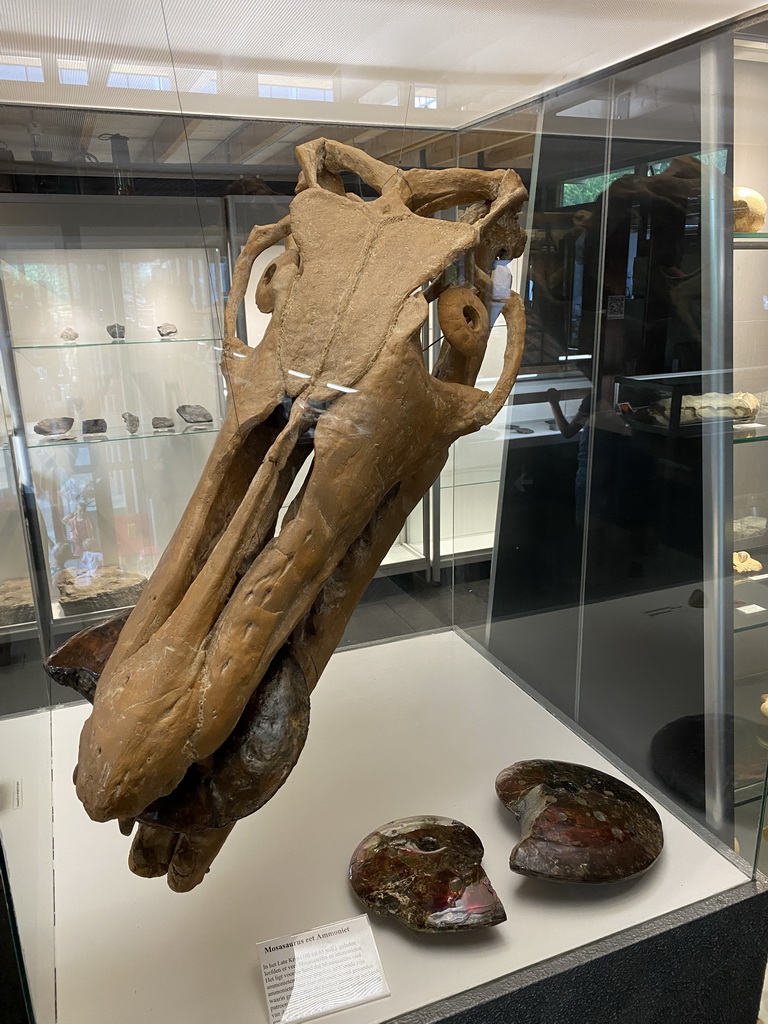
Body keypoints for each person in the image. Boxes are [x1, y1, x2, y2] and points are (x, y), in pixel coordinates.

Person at [546, 388, 592, 524]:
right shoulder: (626, 390)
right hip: (614, 462)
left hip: (591, 465)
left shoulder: (594, 398)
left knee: (587, 519)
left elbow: (567, 431)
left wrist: (554, 403)